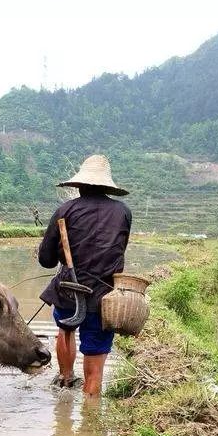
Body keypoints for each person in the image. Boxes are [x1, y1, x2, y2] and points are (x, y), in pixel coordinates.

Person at [37, 154, 132, 397]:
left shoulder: (65, 210)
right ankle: (90, 415)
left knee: (65, 330)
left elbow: (46, 260)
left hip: (69, 290)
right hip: (104, 298)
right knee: (95, 370)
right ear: (107, 186)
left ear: (78, 185)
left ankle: (66, 378)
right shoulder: (123, 213)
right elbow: (119, 250)